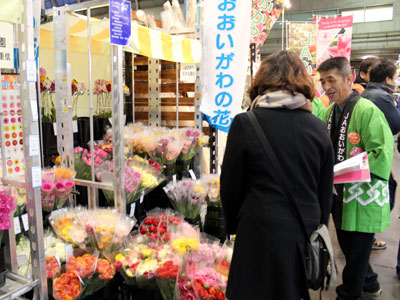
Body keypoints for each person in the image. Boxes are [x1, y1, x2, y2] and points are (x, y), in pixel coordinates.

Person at [221, 50, 334, 300]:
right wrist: (318, 229)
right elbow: (325, 193)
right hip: (301, 236)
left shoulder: (245, 123)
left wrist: (231, 225)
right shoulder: (318, 129)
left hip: (257, 232)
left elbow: (230, 185)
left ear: (263, 82)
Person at [318, 57, 394, 300]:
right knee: (351, 250)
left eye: (331, 79)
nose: (326, 86)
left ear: (349, 78)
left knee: (356, 255)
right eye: (322, 81)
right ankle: (370, 284)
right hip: (339, 196)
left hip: (363, 198)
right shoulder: (330, 111)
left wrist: (342, 171)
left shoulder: (367, 110)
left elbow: (381, 153)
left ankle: (349, 294)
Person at [362, 58, 400, 212]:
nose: (396, 82)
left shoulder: (366, 93)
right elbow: (396, 124)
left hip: (365, 151)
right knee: (386, 187)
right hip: (376, 152)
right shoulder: (381, 97)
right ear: (387, 79)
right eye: (395, 78)